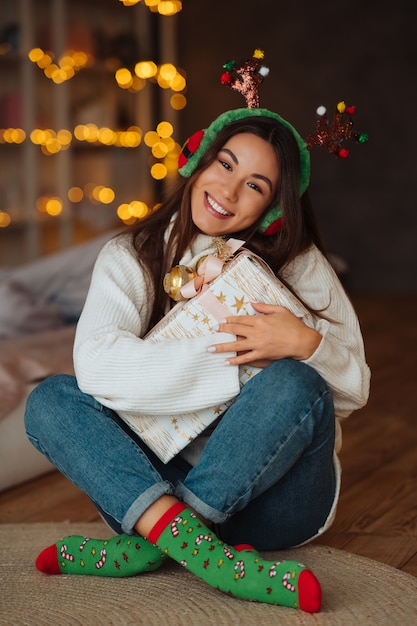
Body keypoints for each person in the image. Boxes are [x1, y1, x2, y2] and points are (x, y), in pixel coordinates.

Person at [24, 65, 370, 614]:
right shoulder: (130, 257)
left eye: (255, 185)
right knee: (49, 400)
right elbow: (97, 368)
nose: (227, 192)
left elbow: (351, 391)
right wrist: (233, 362)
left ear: (273, 206)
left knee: (296, 383)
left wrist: (304, 343)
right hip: (154, 484)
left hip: (276, 503)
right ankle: (204, 554)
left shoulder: (299, 264)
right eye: (224, 164)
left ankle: (155, 543)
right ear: (198, 160)